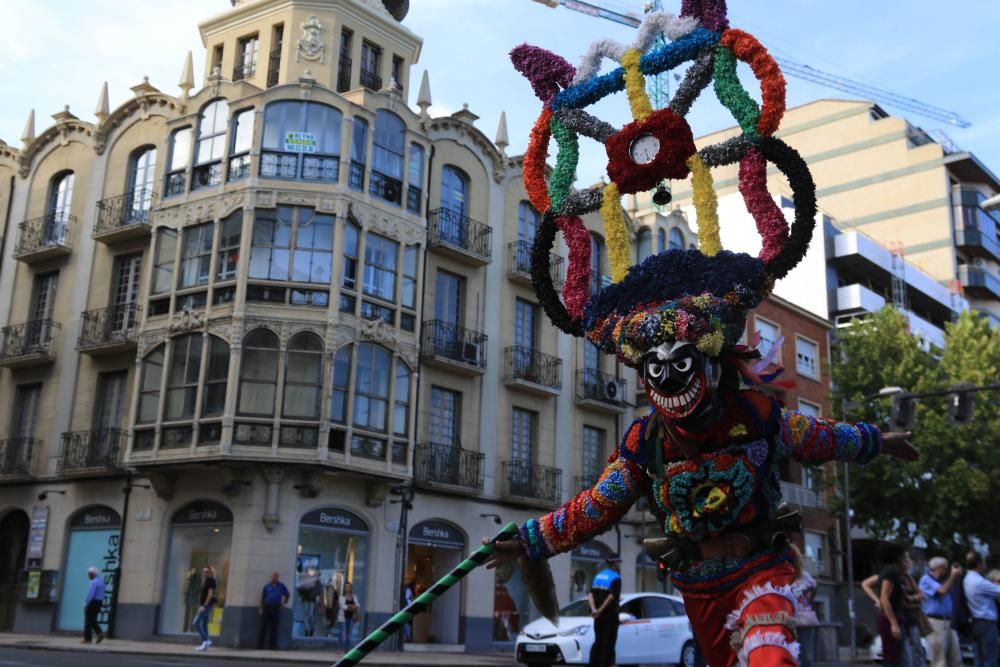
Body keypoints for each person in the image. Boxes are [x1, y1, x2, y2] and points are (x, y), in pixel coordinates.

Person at [868, 544, 909, 667]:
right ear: (898, 557)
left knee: (896, 657)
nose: (906, 560)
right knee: (893, 659)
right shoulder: (891, 571)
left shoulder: (889, 571)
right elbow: (885, 599)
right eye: (904, 557)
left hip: (893, 618)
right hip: (890, 619)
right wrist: (894, 624)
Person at [919, 556, 963, 667]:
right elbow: (942, 591)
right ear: (939, 568)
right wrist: (953, 576)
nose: (947, 571)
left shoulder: (943, 581)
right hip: (935, 622)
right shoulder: (926, 579)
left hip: (948, 622)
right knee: (939, 659)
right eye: (946, 568)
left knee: (955, 659)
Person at [962, 551, 1000, 667]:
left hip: (975, 621)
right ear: (978, 564)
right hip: (986, 622)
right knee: (991, 660)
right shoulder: (980, 582)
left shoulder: (967, 578)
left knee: (979, 659)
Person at [587, 556, 622, 667]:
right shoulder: (616, 577)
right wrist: (600, 611)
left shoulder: (598, 576)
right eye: (619, 562)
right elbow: (611, 597)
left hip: (597, 617)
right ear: (614, 563)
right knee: (608, 643)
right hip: (610, 615)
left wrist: (594, 610)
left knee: (598, 640)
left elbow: (590, 594)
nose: (620, 565)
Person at [789, 545, 819, 667]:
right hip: (786, 620)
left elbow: (814, 587)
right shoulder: (779, 576)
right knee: (789, 656)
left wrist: (808, 602)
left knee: (806, 658)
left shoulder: (804, 576)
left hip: (803, 620)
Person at [258, 571, 290, 650]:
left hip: (276, 608)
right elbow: (263, 598)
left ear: (278, 578)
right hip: (267, 608)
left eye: (276, 576)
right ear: (271, 577)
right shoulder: (267, 587)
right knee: (263, 628)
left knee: (274, 628)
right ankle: (259, 646)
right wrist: (261, 608)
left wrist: (284, 603)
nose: (275, 578)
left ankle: (272, 647)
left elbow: (287, 594)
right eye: (273, 576)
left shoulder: (281, 586)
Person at [193, 565, 216, 652]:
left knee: (195, 623)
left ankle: (206, 640)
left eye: (207, 572)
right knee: (204, 625)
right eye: (204, 572)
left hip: (206, 606)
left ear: (210, 572)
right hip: (204, 605)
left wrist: (204, 606)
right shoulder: (206, 580)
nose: (205, 573)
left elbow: (210, 594)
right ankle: (204, 646)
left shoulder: (211, 581)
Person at [81, 566, 106, 644]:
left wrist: (86, 604)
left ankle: (87, 639)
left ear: (92, 574)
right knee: (92, 619)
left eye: (89, 574)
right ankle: (99, 633)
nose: (88, 576)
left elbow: (90, 595)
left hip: (92, 602)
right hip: (99, 602)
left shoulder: (93, 582)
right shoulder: (101, 582)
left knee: (88, 621)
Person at [340, 581, 360, 650]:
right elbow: (344, 607)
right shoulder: (342, 597)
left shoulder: (354, 597)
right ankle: (343, 647)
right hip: (344, 618)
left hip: (352, 618)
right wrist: (352, 606)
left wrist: (348, 606)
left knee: (349, 634)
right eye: (346, 587)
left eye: (349, 587)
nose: (347, 588)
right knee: (343, 634)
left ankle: (347, 648)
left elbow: (357, 606)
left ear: (351, 588)